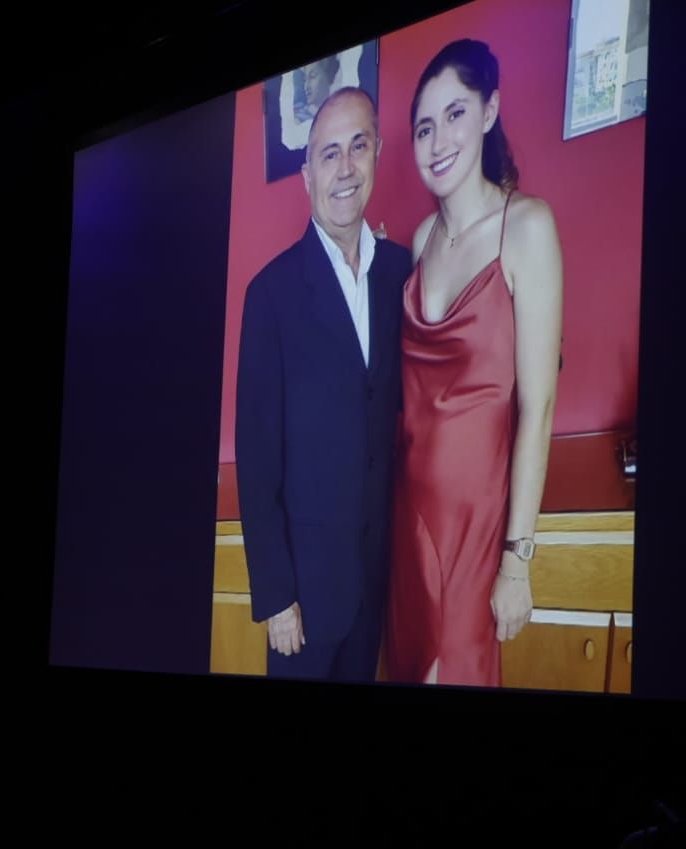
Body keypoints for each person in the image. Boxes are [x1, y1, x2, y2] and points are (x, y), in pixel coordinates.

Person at [387, 39, 562, 686]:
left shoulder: (527, 227)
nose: (437, 141)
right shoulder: (417, 242)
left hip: (475, 523)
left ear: (489, 111)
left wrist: (516, 559)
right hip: (408, 519)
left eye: (454, 114)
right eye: (423, 127)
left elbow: (536, 406)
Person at [236, 87, 409, 681]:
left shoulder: (399, 274)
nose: (344, 167)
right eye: (328, 153)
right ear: (306, 173)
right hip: (303, 602)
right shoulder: (270, 295)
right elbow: (256, 464)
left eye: (357, 146)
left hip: (373, 583)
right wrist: (277, 596)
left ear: (377, 153)